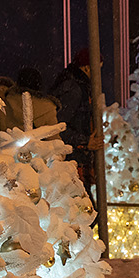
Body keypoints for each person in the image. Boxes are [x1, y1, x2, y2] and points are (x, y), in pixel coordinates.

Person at [51, 49, 96, 186]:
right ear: (87, 68)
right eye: (98, 70)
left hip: (74, 157)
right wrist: (85, 141)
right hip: (73, 159)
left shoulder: (73, 85)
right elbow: (58, 126)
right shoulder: (75, 89)